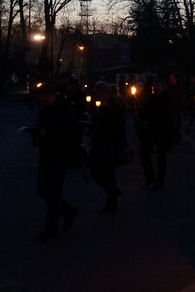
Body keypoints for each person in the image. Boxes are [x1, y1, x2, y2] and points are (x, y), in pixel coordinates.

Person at [25, 83, 80, 242]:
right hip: (46, 155)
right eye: (42, 100)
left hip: (60, 156)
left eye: (46, 99)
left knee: (54, 194)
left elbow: (69, 132)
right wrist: (34, 133)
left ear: (52, 96)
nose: (44, 102)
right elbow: (42, 129)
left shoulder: (64, 110)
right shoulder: (45, 110)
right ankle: (68, 211)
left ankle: (51, 229)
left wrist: (46, 132)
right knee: (42, 190)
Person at [86, 81, 123, 213]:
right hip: (102, 143)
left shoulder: (111, 107)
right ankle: (112, 199)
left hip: (106, 145)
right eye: (97, 92)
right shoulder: (102, 106)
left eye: (100, 92)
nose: (98, 95)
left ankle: (112, 196)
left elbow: (112, 126)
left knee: (100, 171)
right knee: (105, 173)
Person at [139, 76, 173, 189]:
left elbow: (168, 116)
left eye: (158, 86)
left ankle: (160, 181)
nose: (155, 88)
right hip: (150, 130)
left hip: (161, 131)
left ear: (163, 87)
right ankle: (150, 178)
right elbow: (144, 110)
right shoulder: (151, 98)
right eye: (154, 85)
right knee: (144, 153)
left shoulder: (166, 99)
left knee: (161, 158)